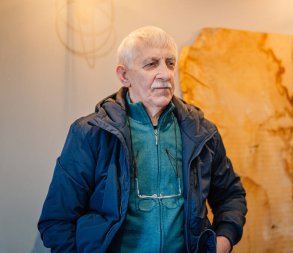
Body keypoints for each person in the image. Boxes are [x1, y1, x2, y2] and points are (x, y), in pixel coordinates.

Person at [38, 26, 247, 253]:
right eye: (151, 64)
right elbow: (57, 220)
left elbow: (231, 196)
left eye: (170, 63)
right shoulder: (90, 133)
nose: (166, 74)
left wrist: (222, 243)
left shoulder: (202, 132)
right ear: (124, 75)